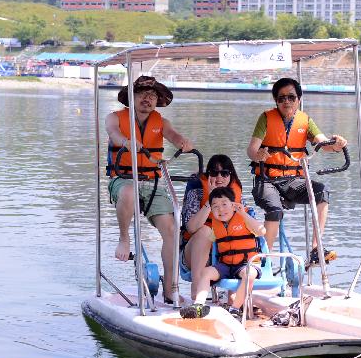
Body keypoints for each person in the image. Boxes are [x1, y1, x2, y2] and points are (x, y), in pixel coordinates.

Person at [105, 75, 193, 304]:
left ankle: (170, 287)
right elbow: (114, 134)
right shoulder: (114, 118)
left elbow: (173, 136)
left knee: (172, 230)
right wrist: (126, 142)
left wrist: (182, 141)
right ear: (131, 97)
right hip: (123, 178)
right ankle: (124, 238)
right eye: (142, 94)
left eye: (152, 95)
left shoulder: (161, 122)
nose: (147, 99)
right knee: (128, 191)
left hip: (153, 182)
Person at [246, 77, 347, 267]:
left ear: (298, 99)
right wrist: (258, 154)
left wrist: (336, 145)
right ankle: (264, 264)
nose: (286, 102)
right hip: (267, 180)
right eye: (281, 98)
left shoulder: (306, 121)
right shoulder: (266, 118)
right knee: (274, 210)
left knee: (322, 192)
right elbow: (251, 150)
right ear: (276, 101)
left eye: (291, 97)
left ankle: (316, 250)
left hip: (294, 180)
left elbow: (322, 142)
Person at [183, 186, 265, 320]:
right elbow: (205, 240)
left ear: (234, 205)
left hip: (247, 263)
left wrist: (243, 214)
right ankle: (198, 306)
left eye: (224, 204)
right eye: (215, 206)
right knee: (205, 272)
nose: (220, 209)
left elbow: (261, 232)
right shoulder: (215, 225)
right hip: (225, 266)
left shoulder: (245, 218)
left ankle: (234, 308)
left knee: (249, 274)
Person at [180, 154, 244, 306]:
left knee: (237, 236)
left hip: (225, 257)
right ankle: (197, 292)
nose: (219, 177)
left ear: (230, 176)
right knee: (205, 232)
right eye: (214, 173)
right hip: (194, 253)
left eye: (224, 173)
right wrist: (210, 200)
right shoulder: (196, 193)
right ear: (208, 175)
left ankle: (234, 297)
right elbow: (191, 227)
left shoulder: (235, 197)